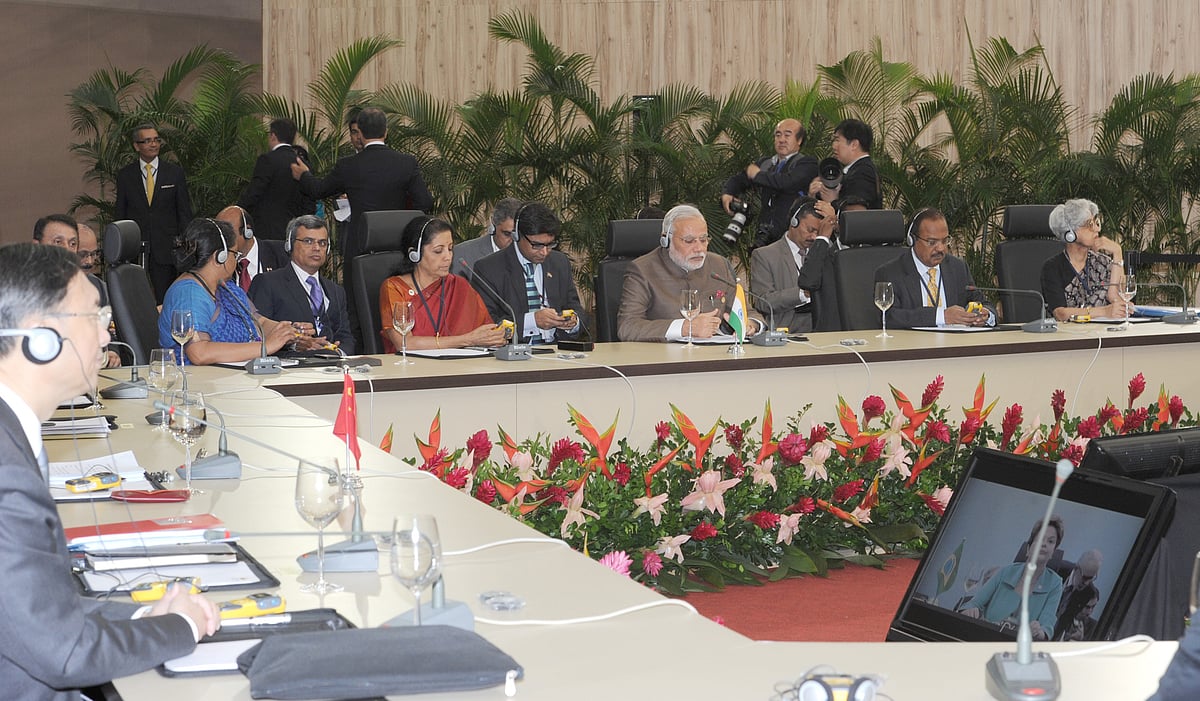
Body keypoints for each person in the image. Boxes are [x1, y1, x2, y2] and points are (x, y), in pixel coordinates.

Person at [0, 243, 220, 699]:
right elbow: (65, 653)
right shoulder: (6, 473)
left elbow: (34, 610)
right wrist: (181, 626)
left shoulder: (13, 431)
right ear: (40, 340)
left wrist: (144, 617)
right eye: (96, 320)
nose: (107, 336)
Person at [157, 218, 301, 365]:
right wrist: (265, 347)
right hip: (200, 383)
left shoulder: (226, 287)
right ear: (220, 256)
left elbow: (258, 323)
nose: (236, 260)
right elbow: (199, 353)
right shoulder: (189, 294)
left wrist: (288, 332)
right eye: (235, 254)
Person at [617, 204, 763, 342]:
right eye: (689, 241)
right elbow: (627, 327)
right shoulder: (642, 270)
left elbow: (748, 313)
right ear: (665, 240)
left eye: (703, 240)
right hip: (665, 359)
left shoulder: (719, 265)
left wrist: (751, 324)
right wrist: (685, 328)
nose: (699, 248)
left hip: (714, 357)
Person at [379, 216, 507, 352]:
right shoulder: (395, 288)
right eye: (438, 251)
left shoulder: (459, 286)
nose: (448, 257)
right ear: (415, 254)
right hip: (412, 368)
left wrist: (493, 337)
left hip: (459, 366)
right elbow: (405, 344)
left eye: (450, 249)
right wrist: (468, 339)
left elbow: (485, 331)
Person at [471, 202, 583, 344]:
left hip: (555, 352)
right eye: (536, 245)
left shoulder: (559, 262)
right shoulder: (488, 268)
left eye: (550, 245)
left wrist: (572, 322)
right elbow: (488, 322)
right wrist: (532, 321)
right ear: (517, 235)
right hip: (512, 357)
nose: (544, 252)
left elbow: (575, 307)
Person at [249, 215, 355, 354]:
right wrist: (294, 345)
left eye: (322, 243)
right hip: (290, 369)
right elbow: (257, 334)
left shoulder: (336, 291)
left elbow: (346, 338)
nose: (317, 248)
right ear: (290, 245)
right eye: (308, 241)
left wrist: (337, 353)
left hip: (332, 369)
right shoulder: (267, 283)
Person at [873, 208, 995, 328]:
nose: (941, 248)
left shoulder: (958, 268)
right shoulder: (890, 273)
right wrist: (942, 316)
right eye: (932, 242)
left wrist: (986, 315)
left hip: (956, 345)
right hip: (914, 345)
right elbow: (888, 317)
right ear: (912, 240)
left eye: (945, 240)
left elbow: (982, 302)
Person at [114, 123, 193, 303]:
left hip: (166, 248)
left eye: (156, 140)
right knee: (135, 297)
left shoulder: (174, 173)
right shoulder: (126, 175)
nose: (154, 144)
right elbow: (121, 212)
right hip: (136, 247)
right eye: (147, 140)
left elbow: (184, 211)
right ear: (136, 146)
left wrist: (186, 245)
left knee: (166, 298)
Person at [32, 214, 120, 368]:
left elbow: (109, 329)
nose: (67, 249)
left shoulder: (94, 286)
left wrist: (110, 351)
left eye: (72, 244)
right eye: (58, 242)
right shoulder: (19, 290)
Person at [960, 516, 1066, 641]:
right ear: (1028, 548)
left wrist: (1039, 632)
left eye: (1050, 541)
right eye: (1040, 539)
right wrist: (971, 611)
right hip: (985, 639)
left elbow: (1046, 627)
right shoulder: (1006, 571)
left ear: (1053, 552)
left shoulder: (1055, 584)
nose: (1044, 544)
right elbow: (974, 603)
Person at [721, 119, 819, 248]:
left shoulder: (807, 163)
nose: (782, 139)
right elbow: (739, 179)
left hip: (792, 236)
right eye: (778, 135)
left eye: (787, 135)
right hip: (765, 235)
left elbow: (787, 182)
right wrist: (728, 193)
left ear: (799, 140)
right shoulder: (766, 163)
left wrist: (758, 175)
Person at [1041, 198, 1131, 321]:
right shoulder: (1052, 267)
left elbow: (1116, 299)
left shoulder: (1102, 262)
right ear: (1070, 233)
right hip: (1066, 335)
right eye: (1089, 224)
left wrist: (1117, 253)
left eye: (1096, 222)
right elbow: (1060, 314)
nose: (1097, 229)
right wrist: (1104, 311)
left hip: (1101, 333)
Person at [750, 196, 824, 333]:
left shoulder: (824, 252)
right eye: (810, 230)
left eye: (818, 233)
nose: (814, 237)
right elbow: (762, 302)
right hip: (786, 333)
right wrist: (803, 294)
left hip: (824, 332)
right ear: (793, 222)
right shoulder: (765, 255)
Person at [237, 118, 315, 241]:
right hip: (294, 232)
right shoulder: (304, 165)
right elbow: (309, 202)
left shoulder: (267, 160)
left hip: (266, 230)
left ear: (273, 135)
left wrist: (237, 211)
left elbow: (254, 192)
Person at [808, 118, 882, 210]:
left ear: (854, 144)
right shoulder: (855, 169)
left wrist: (833, 201)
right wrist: (813, 196)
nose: (833, 146)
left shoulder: (863, 171)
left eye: (837, 140)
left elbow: (858, 213)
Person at [215, 205, 289, 292]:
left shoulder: (281, 253)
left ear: (247, 232)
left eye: (228, 234)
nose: (223, 239)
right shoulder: (220, 262)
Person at [453, 197, 523, 280]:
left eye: (518, 234)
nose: (513, 240)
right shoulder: (463, 254)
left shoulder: (533, 255)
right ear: (493, 226)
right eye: (507, 234)